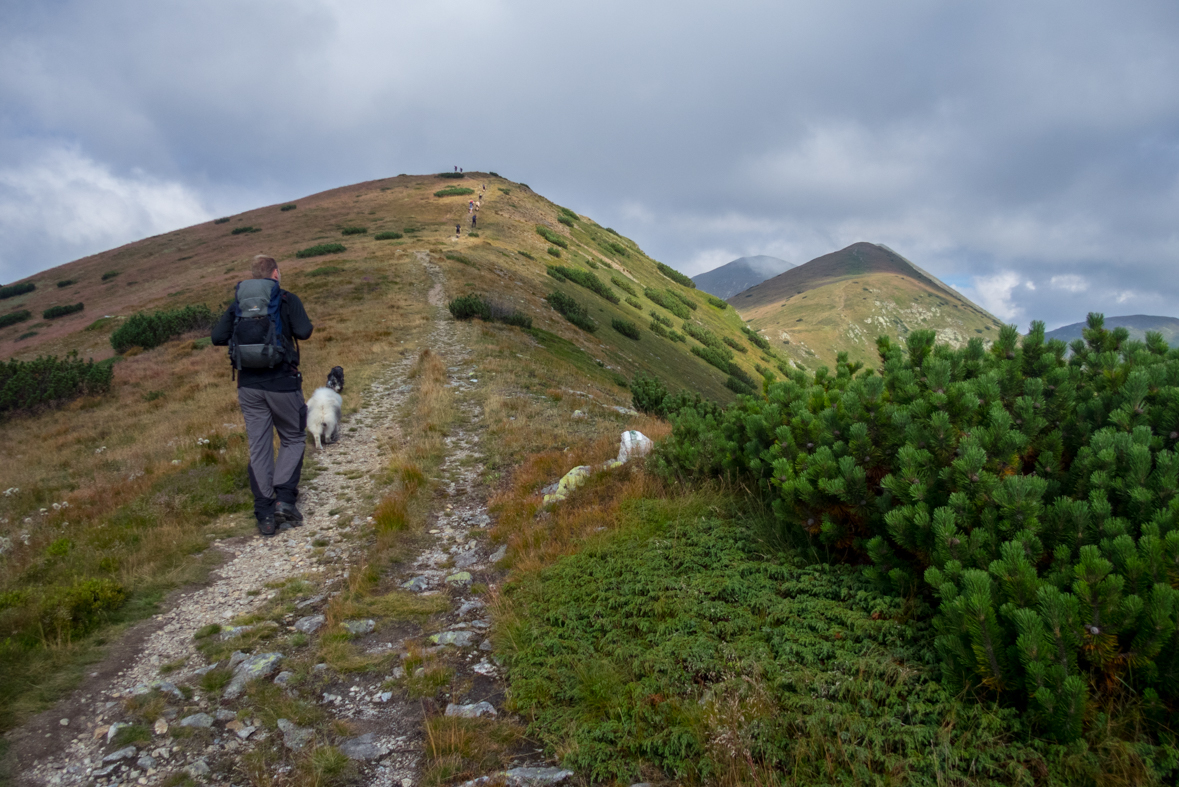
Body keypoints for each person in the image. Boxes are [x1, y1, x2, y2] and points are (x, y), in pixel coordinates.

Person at [211, 255, 314, 537]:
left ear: (253, 276)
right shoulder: (286, 299)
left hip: (248, 386)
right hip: (283, 383)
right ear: (276, 273)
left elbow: (217, 337)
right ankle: (284, 500)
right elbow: (304, 332)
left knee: (259, 446)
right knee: (293, 437)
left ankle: (265, 514)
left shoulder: (239, 304)